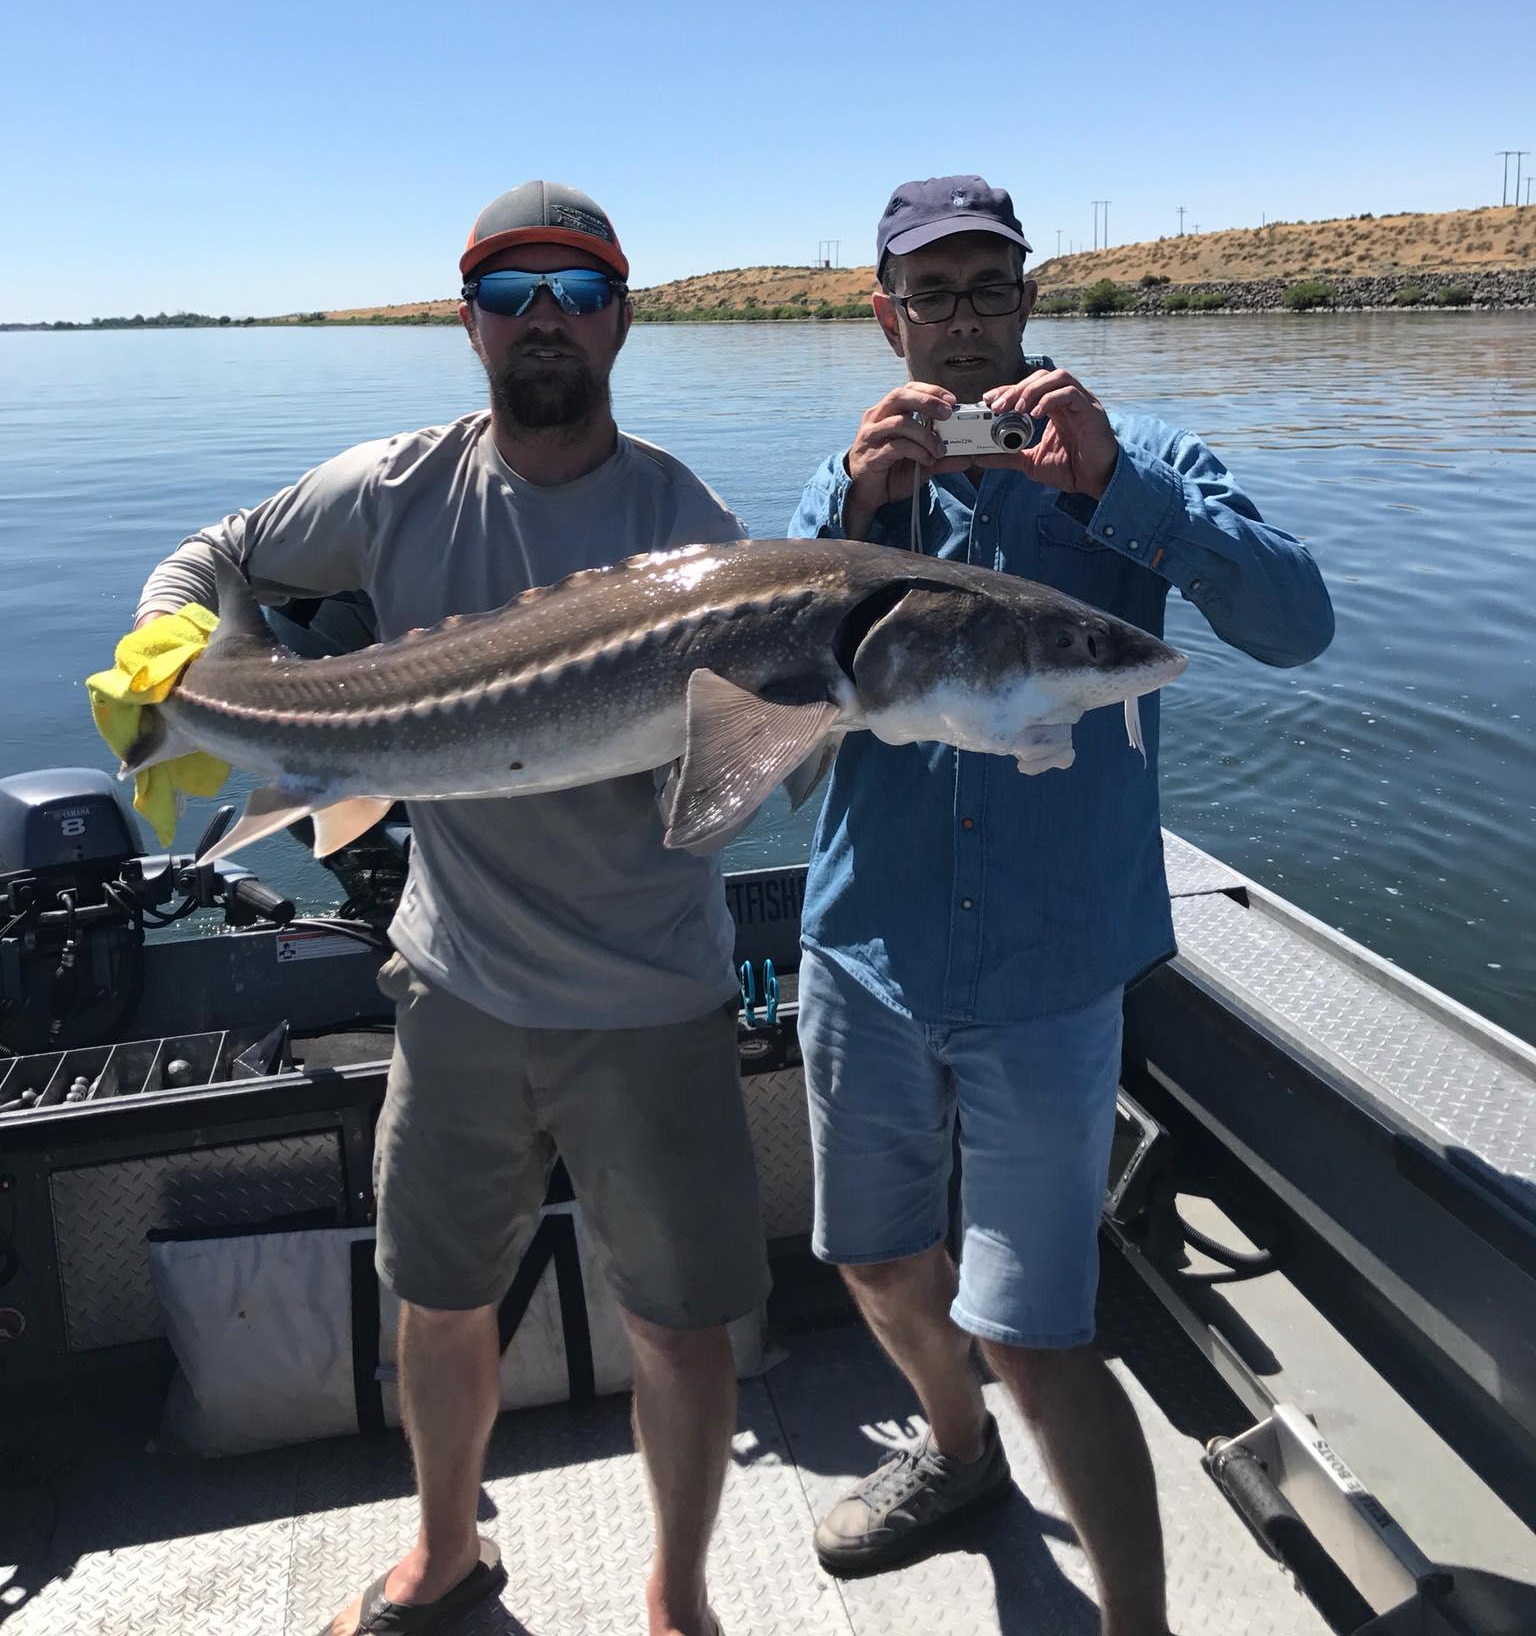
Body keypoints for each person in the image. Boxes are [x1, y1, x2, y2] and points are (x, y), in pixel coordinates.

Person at [134, 181, 767, 1636]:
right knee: (435, 1295)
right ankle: (444, 1550)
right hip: (458, 984)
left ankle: (676, 1599)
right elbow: (218, 556)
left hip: (652, 995)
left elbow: (730, 787)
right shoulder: (393, 488)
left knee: (684, 1323)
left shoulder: (692, 525)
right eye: (511, 292)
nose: (545, 319)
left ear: (623, 318)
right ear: (466, 319)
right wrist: (172, 641)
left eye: (579, 291)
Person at [787, 174, 1334, 1636]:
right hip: (869, 947)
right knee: (876, 1261)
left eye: (991, 290)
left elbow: (1297, 624)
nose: (965, 329)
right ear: (885, 311)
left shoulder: (1137, 456)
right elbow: (759, 688)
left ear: (1032, 299)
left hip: (1052, 965)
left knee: (1037, 1335)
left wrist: (1113, 492)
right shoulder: (841, 486)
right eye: (934, 295)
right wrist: (851, 507)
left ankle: (1134, 1625)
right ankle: (956, 1462)